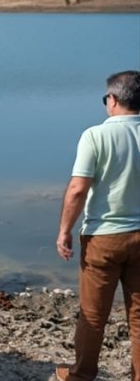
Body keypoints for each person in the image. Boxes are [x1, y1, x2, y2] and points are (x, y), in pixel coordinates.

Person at [54, 70, 140, 381]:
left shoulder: (96, 135)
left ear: (114, 100)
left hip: (104, 237)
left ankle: (80, 375)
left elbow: (78, 189)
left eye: (106, 98)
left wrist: (64, 230)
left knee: (93, 314)